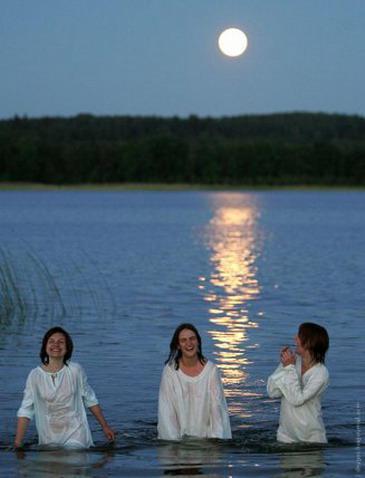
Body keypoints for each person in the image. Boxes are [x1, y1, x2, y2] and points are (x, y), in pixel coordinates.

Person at [14, 326, 115, 449]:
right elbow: (26, 410)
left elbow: (90, 400)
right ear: (45, 347)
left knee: (70, 459)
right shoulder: (34, 375)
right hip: (48, 436)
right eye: (51, 341)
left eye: (61, 342)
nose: (56, 345)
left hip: (76, 433)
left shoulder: (75, 370)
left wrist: (105, 426)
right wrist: (18, 443)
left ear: (67, 348)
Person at [157, 323, 231, 440]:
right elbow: (167, 411)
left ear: (198, 342)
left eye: (192, 339)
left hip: (206, 442)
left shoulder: (211, 371)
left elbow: (217, 411)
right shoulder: (170, 372)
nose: (189, 343)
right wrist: (173, 444)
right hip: (178, 441)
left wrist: (216, 442)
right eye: (183, 340)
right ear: (178, 346)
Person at [267, 322, 330, 443]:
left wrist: (289, 368)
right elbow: (272, 392)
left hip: (312, 440)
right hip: (285, 437)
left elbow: (297, 400)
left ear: (309, 343)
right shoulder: (292, 361)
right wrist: (284, 366)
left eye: (299, 336)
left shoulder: (321, 373)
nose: (294, 338)